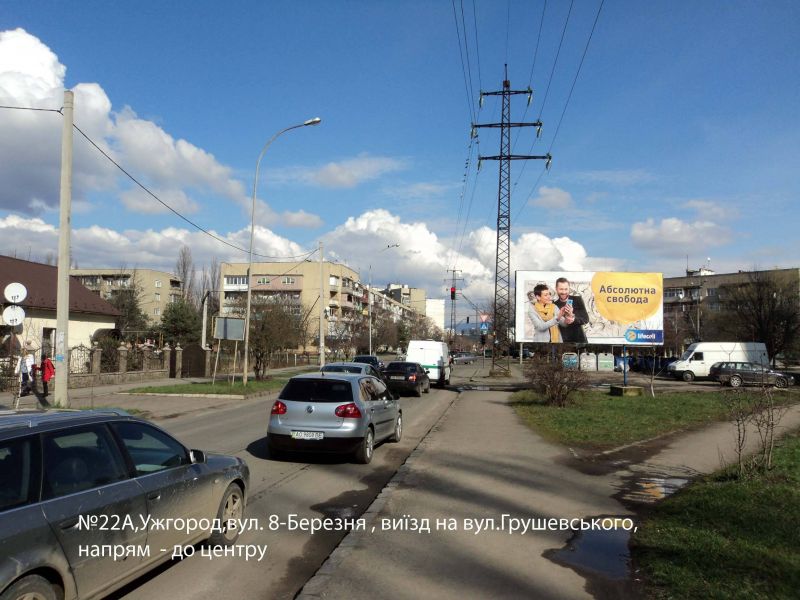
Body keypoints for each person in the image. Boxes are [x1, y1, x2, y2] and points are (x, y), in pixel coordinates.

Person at [553, 277, 589, 343]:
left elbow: (585, 319)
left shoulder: (577, 300)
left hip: (579, 341)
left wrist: (573, 318)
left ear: (569, 288)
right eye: (561, 289)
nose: (564, 292)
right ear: (556, 289)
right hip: (563, 342)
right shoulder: (554, 304)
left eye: (566, 289)